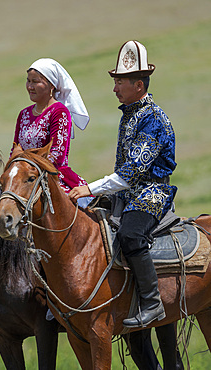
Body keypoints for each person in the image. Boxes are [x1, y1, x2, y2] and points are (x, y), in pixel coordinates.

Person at [69, 40, 177, 328]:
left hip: (151, 193)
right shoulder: (130, 114)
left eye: (119, 82)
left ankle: (153, 303)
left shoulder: (152, 118)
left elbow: (131, 173)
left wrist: (89, 188)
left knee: (130, 236)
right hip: (128, 193)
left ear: (138, 85)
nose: (114, 88)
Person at [11, 58, 92, 208]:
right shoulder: (23, 114)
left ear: (52, 85)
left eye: (35, 81)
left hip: (53, 177)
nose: (30, 86)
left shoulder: (59, 111)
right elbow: (15, 149)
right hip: (24, 177)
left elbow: (57, 154)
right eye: (28, 81)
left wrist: (29, 170)